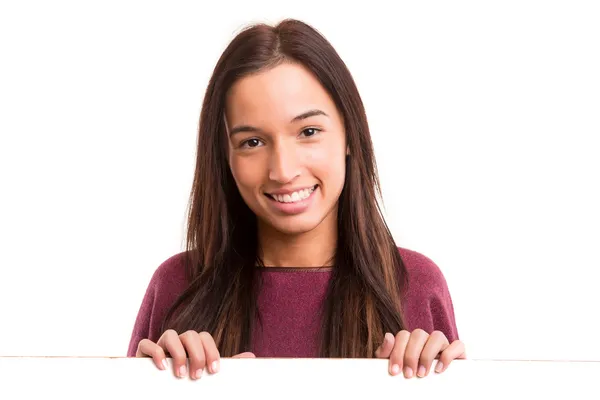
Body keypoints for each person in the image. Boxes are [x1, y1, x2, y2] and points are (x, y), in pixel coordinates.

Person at [127, 18, 466, 381]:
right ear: (224, 156)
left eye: (308, 131)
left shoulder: (415, 284)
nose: (283, 171)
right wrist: (151, 386)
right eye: (252, 142)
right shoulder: (178, 286)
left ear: (350, 135)